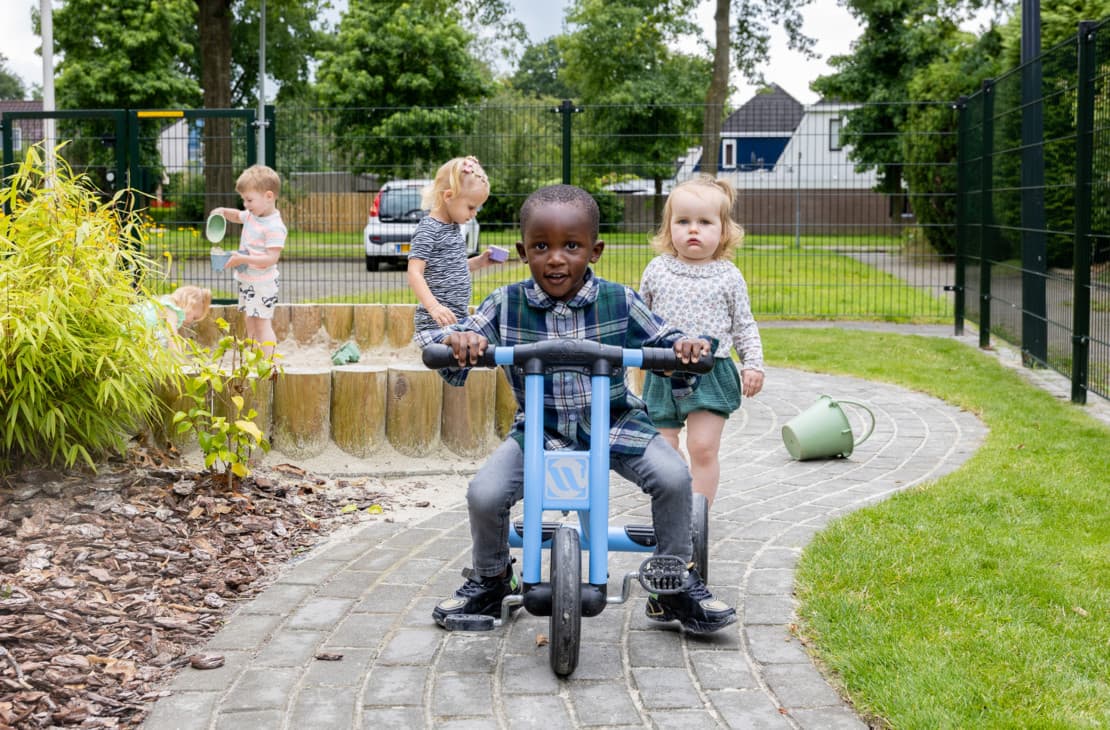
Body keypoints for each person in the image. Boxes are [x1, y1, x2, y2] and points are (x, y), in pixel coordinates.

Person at [428, 184, 737, 635]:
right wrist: (460, 342)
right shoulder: (505, 303)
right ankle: (492, 578)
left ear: (595, 251)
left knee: (673, 477)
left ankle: (672, 584)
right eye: (541, 247)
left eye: (571, 246)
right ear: (523, 251)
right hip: (540, 428)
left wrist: (684, 348)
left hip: (615, 424)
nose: (556, 259)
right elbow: (454, 340)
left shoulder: (620, 300)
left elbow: (667, 340)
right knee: (485, 494)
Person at [639, 175, 764, 507]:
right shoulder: (657, 270)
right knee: (661, 448)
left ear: (723, 231)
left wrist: (753, 364)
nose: (693, 229)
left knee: (702, 446)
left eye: (705, 222)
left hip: (711, 373)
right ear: (669, 229)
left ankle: (698, 515)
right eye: (683, 221)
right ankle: (677, 498)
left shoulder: (728, 276)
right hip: (662, 373)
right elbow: (639, 320)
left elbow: (744, 325)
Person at [407, 156, 496, 346]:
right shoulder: (428, 229)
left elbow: (452, 268)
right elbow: (414, 273)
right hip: (434, 325)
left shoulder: (453, 228)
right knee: (460, 346)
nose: (474, 214)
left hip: (457, 321)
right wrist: (434, 307)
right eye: (471, 207)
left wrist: (480, 262)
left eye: (477, 208)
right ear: (448, 197)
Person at [208, 164, 286, 356]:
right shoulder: (252, 216)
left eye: (249, 199)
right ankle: (252, 359)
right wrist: (222, 212)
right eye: (244, 199)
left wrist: (243, 258)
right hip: (248, 282)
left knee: (262, 325)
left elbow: (271, 258)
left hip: (263, 285)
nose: (245, 205)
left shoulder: (274, 226)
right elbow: (237, 215)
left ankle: (269, 365)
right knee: (250, 322)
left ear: (269, 196)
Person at [136, 285, 212, 352]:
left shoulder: (164, 301)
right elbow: (172, 337)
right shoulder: (171, 310)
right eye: (194, 317)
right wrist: (179, 360)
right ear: (190, 304)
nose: (192, 321)